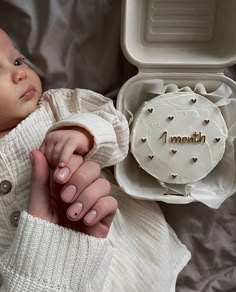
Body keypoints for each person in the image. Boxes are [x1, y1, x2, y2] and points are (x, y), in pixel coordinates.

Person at [0, 28, 191, 292]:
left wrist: (83, 132)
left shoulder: (55, 106)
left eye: (17, 60)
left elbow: (117, 123)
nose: (19, 73)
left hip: (126, 251)